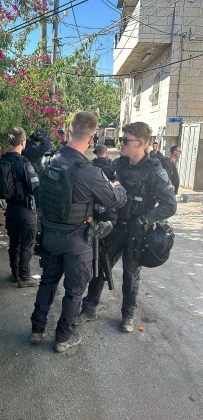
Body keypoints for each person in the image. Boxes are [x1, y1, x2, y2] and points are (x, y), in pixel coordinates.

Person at [30, 111, 127, 352]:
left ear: (68, 130)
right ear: (92, 137)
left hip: (49, 236)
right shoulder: (89, 171)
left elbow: (39, 193)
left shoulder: (47, 159)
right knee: (74, 292)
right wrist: (118, 185)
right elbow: (115, 201)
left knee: (47, 283)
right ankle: (63, 338)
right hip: (76, 241)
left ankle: (37, 329)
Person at [77, 122, 177, 333]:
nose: (121, 143)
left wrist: (144, 219)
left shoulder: (154, 171)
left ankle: (127, 316)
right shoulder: (119, 165)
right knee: (99, 269)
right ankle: (89, 309)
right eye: (121, 139)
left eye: (125, 140)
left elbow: (170, 205)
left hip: (138, 232)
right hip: (114, 228)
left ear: (140, 143)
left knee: (131, 277)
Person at [3, 127, 40, 287]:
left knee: (14, 242)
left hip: (10, 209)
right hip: (25, 209)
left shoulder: (3, 160)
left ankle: (15, 273)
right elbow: (35, 187)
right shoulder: (24, 163)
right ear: (23, 142)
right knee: (27, 243)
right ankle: (24, 277)